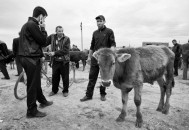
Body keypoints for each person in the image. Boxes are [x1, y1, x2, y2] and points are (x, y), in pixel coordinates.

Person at [18, 6, 53, 118]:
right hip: (31, 58)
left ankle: (42, 100)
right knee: (33, 85)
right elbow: (43, 42)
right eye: (44, 18)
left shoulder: (27, 25)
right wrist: (43, 29)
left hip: (29, 57)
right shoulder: (33, 25)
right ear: (41, 16)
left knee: (36, 82)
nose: (44, 20)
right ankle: (31, 111)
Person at [80, 15, 116, 102]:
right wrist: (89, 57)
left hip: (105, 60)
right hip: (95, 58)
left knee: (104, 76)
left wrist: (110, 54)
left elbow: (113, 44)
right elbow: (92, 46)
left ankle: (102, 94)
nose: (99, 23)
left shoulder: (109, 31)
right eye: (97, 21)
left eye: (101, 21)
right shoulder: (95, 33)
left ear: (104, 22)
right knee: (92, 76)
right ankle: (88, 95)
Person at [47, 26, 70, 97]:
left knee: (65, 77)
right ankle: (54, 90)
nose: (61, 32)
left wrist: (54, 53)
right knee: (55, 77)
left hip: (64, 61)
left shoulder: (67, 39)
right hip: (55, 61)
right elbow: (44, 42)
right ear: (56, 31)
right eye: (59, 31)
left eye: (62, 31)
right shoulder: (52, 37)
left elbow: (66, 50)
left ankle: (65, 91)